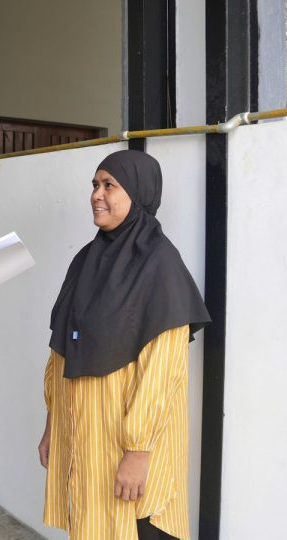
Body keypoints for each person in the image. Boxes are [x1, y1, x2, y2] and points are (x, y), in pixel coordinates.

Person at [39, 150, 211, 540]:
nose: (97, 195)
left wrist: (137, 452)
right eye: (95, 185)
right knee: (92, 524)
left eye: (109, 186)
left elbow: (163, 372)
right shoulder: (86, 261)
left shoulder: (160, 265)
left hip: (131, 454)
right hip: (87, 442)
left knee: (138, 526)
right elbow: (61, 351)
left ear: (139, 193)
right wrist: (53, 426)